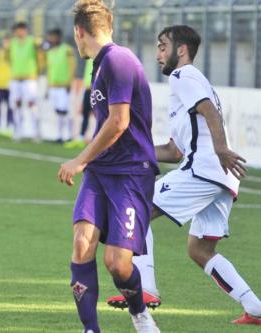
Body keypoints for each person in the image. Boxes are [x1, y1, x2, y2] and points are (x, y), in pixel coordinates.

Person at [106, 25, 261, 326]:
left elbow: (208, 111)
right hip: (219, 177)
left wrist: (220, 148)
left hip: (205, 170)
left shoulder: (183, 75)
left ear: (181, 49)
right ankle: (255, 307)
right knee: (200, 249)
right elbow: (175, 150)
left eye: (163, 46)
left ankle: (146, 288)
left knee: (137, 207)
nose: (158, 53)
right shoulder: (187, 85)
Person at [58, 1, 160, 332]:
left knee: (117, 264)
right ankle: (91, 330)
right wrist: (90, 162)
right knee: (81, 243)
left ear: (79, 32)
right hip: (101, 173)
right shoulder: (100, 64)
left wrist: (79, 159)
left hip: (131, 173)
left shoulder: (118, 60)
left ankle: (140, 314)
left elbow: (119, 122)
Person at [8, 21, 43, 141]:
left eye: (19, 30)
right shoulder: (12, 43)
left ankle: (36, 132)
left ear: (24, 30)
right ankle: (18, 130)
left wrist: (39, 71)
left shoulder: (32, 41)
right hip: (16, 78)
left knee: (32, 104)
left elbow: (41, 51)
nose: (17, 32)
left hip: (29, 78)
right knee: (16, 104)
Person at [45, 28, 77, 143]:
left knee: (65, 111)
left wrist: (69, 82)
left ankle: (69, 135)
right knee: (58, 111)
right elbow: (49, 70)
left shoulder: (67, 50)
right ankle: (59, 136)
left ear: (58, 37)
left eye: (52, 36)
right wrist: (47, 87)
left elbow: (72, 66)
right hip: (53, 86)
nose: (50, 39)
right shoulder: (50, 52)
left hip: (64, 86)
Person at [65, 58, 94, 148]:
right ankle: (81, 138)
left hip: (97, 90)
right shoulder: (90, 58)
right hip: (87, 89)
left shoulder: (101, 58)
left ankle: (98, 140)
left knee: (100, 116)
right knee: (84, 114)